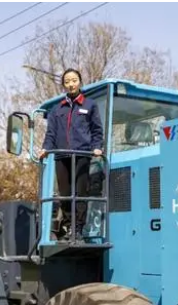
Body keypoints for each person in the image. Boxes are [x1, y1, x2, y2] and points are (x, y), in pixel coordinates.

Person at [39, 69, 104, 241]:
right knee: (65, 193)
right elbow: (51, 133)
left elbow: (97, 130)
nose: (71, 84)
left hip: (81, 154)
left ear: (80, 82)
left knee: (80, 192)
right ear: (64, 85)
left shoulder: (89, 105)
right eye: (67, 81)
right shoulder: (56, 109)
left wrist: (97, 147)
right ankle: (68, 227)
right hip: (62, 156)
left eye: (74, 80)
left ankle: (78, 229)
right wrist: (46, 148)